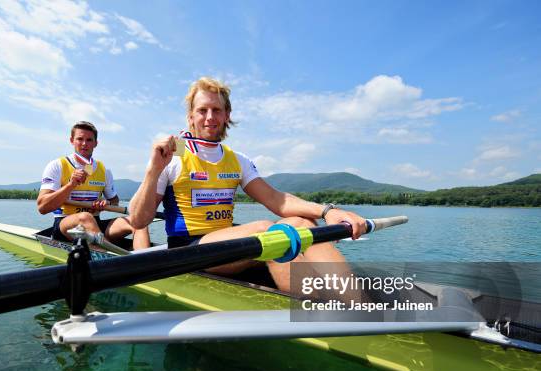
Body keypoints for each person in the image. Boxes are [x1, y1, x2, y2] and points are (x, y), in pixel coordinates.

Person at [129, 78, 366, 291]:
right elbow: (139, 221)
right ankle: (317, 317)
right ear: (191, 117)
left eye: (216, 110)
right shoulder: (171, 157)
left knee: (305, 223)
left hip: (226, 243)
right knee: (270, 233)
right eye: (202, 110)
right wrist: (154, 170)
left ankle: (359, 306)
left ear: (227, 115)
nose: (210, 117)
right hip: (188, 250)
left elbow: (277, 200)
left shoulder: (237, 160)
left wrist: (329, 211)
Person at [38, 121, 149, 249]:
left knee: (140, 222)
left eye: (89, 140)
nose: (84, 144)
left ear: (96, 143)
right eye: (80, 139)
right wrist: (70, 185)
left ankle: (144, 263)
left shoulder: (103, 170)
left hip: (95, 224)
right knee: (86, 217)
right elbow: (42, 207)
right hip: (65, 225)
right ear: (71, 140)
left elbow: (114, 202)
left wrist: (105, 204)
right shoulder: (57, 166)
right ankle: (107, 258)